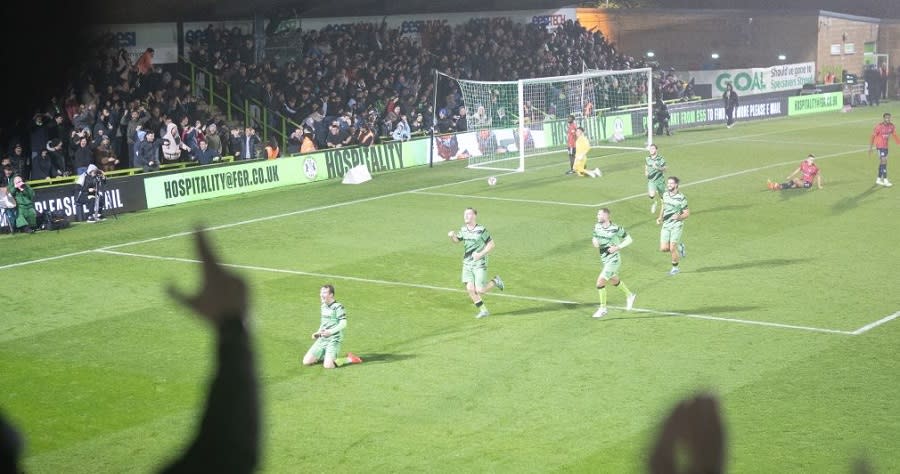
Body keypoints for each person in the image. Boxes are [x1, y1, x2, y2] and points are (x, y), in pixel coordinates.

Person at [447, 208, 504, 318]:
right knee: (469, 289)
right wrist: (452, 236)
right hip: (467, 264)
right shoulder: (463, 229)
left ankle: (495, 281)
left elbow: (492, 244)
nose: (466, 216)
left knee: (480, 290)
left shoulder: (481, 230)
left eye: (468, 214)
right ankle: (484, 311)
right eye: (464, 214)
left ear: (474, 216)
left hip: (479, 264)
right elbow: (457, 240)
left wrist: (480, 254)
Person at [301, 284, 363, 369]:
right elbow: (324, 323)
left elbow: (343, 323)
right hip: (323, 338)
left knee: (328, 366)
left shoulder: (338, 307)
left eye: (324, 293)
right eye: (321, 292)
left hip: (334, 339)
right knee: (306, 362)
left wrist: (330, 332)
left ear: (331, 295)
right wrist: (318, 333)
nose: (321, 295)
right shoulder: (323, 306)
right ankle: (326, 356)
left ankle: (350, 359)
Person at [590, 208, 637, 318]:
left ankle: (603, 308)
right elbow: (594, 237)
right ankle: (630, 295)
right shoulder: (596, 226)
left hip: (614, 259)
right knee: (614, 280)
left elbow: (629, 239)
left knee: (600, 282)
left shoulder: (616, 228)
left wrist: (618, 247)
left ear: (606, 216)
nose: (597, 216)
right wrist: (594, 241)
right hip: (604, 259)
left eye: (599, 214)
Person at [656, 176, 689, 275]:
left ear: (676, 185)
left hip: (676, 225)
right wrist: (660, 217)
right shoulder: (665, 194)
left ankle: (675, 268)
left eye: (671, 183)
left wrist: (679, 217)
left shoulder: (681, 198)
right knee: (663, 248)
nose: (669, 185)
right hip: (666, 225)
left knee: (672, 248)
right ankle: (680, 246)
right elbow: (663, 206)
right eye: (668, 183)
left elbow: (687, 213)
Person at [868, 112, 899, 187]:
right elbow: (872, 136)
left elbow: (895, 135)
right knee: (884, 161)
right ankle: (885, 180)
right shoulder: (879, 127)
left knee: (883, 163)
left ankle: (878, 179)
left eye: (889, 118)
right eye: (886, 118)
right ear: (884, 118)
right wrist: (870, 148)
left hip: (885, 147)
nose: (888, 119)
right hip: (879, 146)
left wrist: (899, 143)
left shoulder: (891, 126)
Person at [645, 144, 667, 213]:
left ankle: (664, 209)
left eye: (653, 149)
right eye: (650, 149)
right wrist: (645, 171)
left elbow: (665, 169)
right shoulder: (647, 158)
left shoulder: (661, 159)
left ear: (656, 150)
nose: (651, 150)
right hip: (651, 180)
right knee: (651, 195)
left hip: (660, 181)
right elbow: (646, 165)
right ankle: (654, 202)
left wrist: (657, 168)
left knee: (663, 197)